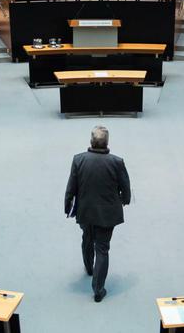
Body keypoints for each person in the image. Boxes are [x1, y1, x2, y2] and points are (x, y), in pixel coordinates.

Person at [64, 126, 130, 303]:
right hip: (107, 214)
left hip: (85, 211)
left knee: (87, 237)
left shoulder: (78, 160)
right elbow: (125, 186)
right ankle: (98, 290)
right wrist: (125, 199)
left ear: (91, 141)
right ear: (107, 142)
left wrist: (68, 204)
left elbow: (71, 185)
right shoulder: (117, 162)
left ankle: (88, 267)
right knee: (102, 248)